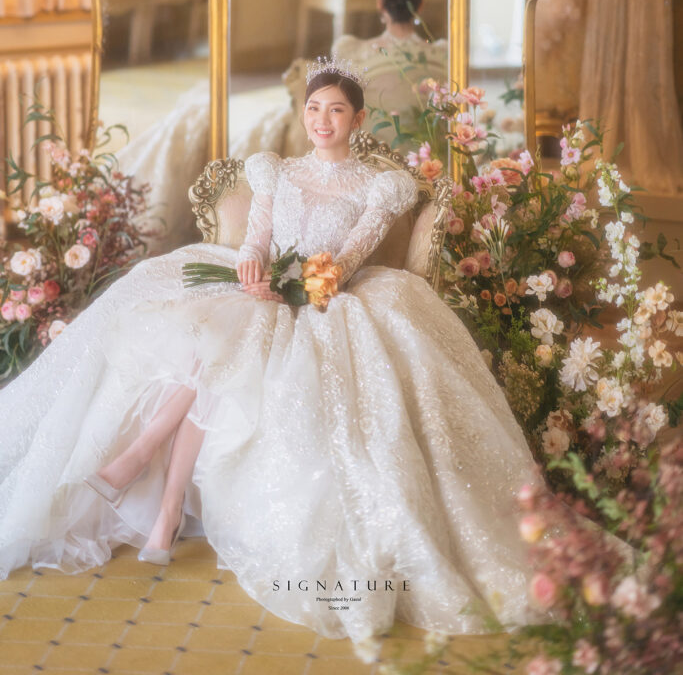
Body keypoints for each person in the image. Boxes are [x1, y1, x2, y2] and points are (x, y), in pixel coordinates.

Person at [0, 57, 541, 642]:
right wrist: (253, 266)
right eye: (313, 108)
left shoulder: (378, 186)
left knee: (229, 348)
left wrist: (296, 286)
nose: (322, 120)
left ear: (358, 119)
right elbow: (256, 238)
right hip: (257, 288)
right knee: (208, 336)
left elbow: (349, 259)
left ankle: (153, 479)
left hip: (326, 299)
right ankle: (162, 499)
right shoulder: (275, 171)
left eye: (336, 110)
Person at [117, 0, 448, 255]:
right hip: (419, 149)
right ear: (419, 5)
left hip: (349, 156)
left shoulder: (351, 49)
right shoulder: (443, 55)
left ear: (380, 4)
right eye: (312, 109)